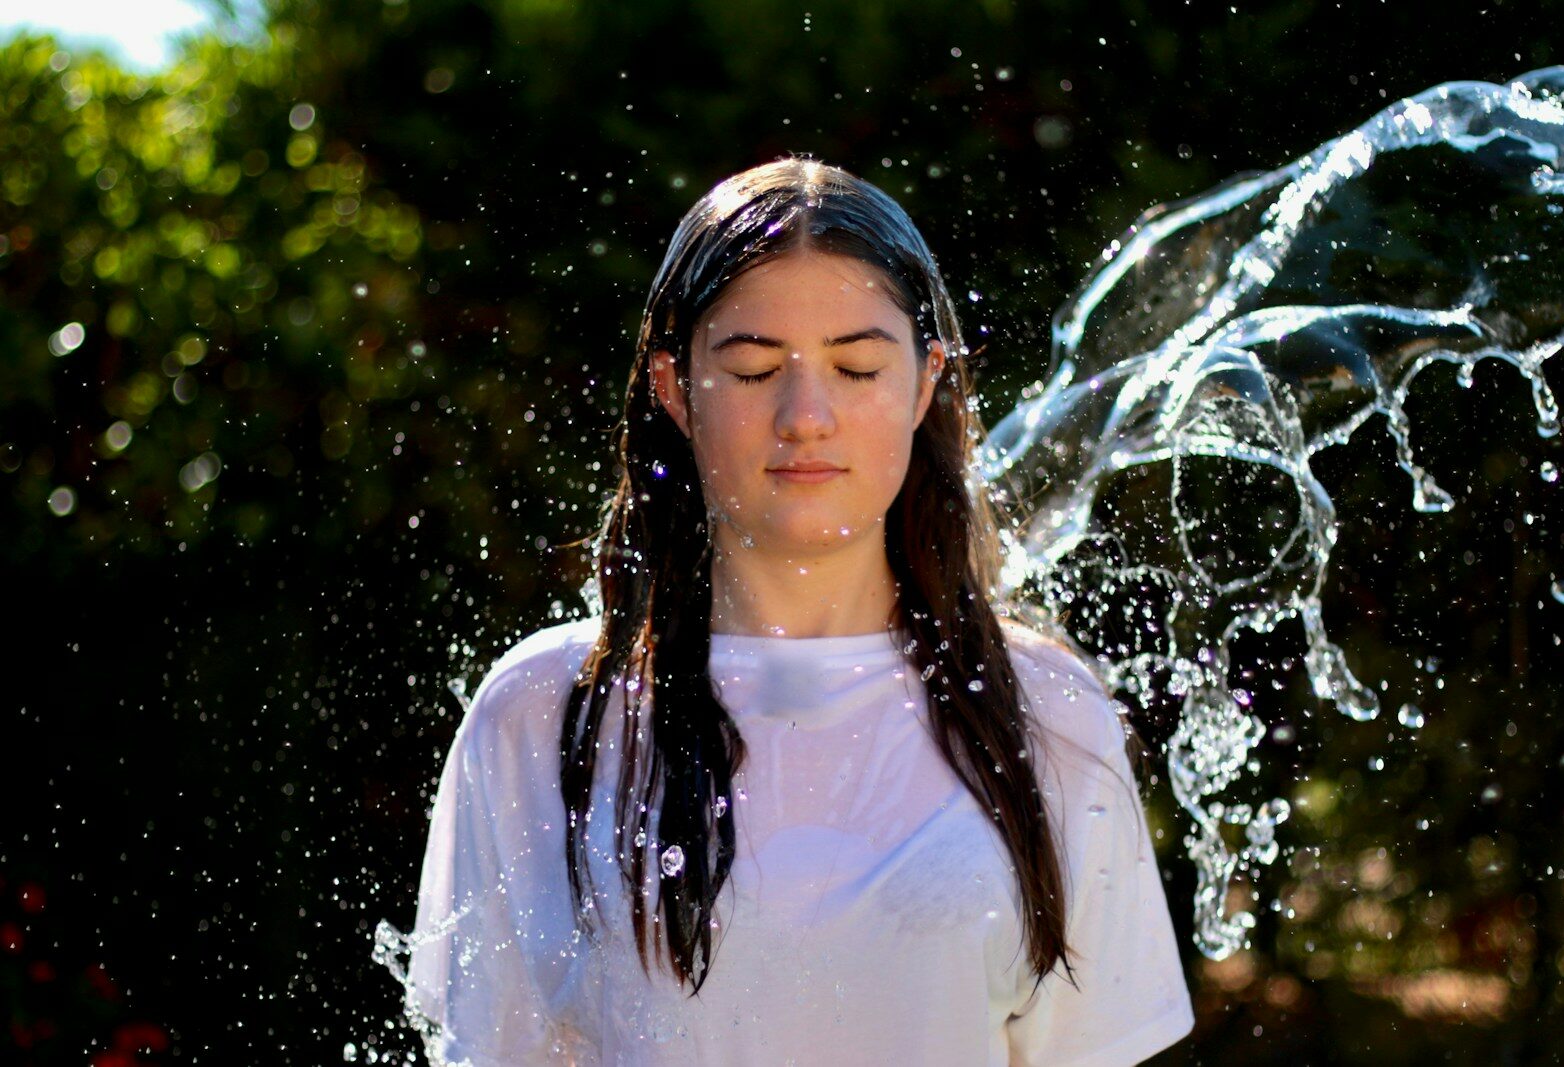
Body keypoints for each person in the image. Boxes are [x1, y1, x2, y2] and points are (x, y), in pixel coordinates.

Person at [401, 156, 1195, 1066]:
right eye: (752, 369)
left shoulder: (1047, 712)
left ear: (924, 383)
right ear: (674, 387)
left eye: (857, 367)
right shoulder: (545, 713)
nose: (806, 415)